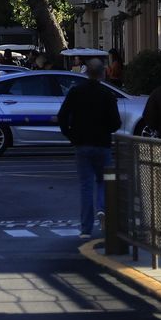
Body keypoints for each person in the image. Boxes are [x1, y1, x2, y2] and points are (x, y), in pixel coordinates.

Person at [57, 59, 123, 238]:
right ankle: (102, 208)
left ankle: (86, 228)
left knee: (86, 186)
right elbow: (116, 122)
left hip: (82, 144)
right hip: (102, 144)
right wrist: (106, 130)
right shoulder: (106, 94)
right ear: (102, 73)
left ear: (86, 72)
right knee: (103, 181)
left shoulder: (76, 92)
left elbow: (62, 116)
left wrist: (71, 135)